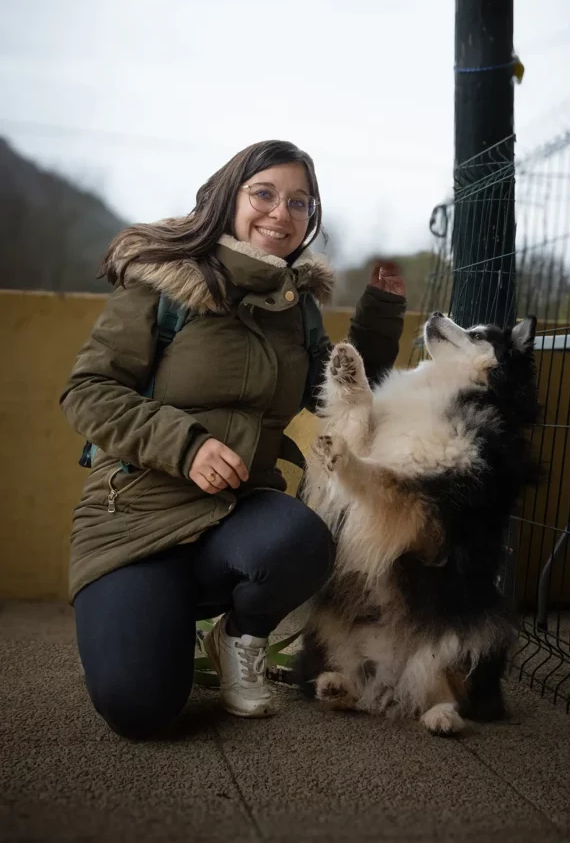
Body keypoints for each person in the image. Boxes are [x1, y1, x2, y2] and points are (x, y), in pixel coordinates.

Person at [61, 139, 406, 739]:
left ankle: (239, 637)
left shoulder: (295, 305)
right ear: (229, 197)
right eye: (264, 193)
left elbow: (338, 396)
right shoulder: (163, 281)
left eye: (299, 202)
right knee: (140, 709)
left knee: (304, 538)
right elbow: (87, 391)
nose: (281, 213)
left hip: (238, 516)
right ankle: (152, 619)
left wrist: (379, 317)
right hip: (137, 519)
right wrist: (186, 445)